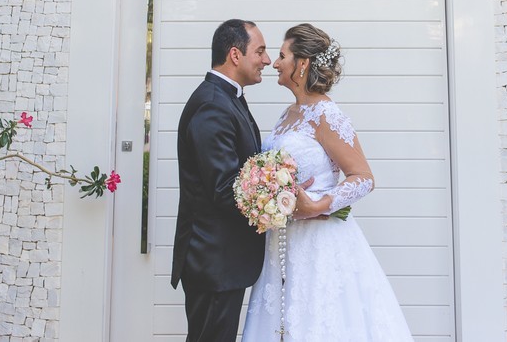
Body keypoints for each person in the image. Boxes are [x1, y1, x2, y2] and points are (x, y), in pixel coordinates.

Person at [241, 23, 415, 342]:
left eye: (282, 56)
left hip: (319, 245)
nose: (275, 63)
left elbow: (363, 178)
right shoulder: (287, 114)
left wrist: (318, 205)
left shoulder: (326, 115)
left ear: (302, 64)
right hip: (280, 245)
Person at [172, 19, 271, 342]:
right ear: (235, 55)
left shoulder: (227, 97)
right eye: (260, 51)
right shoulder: (213, 105)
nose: (267, 60)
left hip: (222, 260)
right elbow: (225, 188)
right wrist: (279, 201)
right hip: (213, 261)